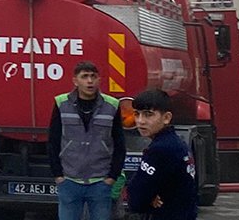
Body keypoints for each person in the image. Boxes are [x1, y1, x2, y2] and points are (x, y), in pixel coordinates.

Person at [48, 61, 126, 220]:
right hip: (69, 180)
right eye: (84, 77)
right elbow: (53, 141)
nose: (90, 81)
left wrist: (112, 177)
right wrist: (58, 175)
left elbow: (119, 144)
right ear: (75, 81)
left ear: (99, 80)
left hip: (100, 181)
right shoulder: (61, 103)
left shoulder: (112, 105)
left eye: (93, 76)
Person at [126, 89, 198, 220]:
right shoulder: (177, 143)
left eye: (148, 115)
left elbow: (137, 194)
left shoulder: (160, 149)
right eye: (137, 114)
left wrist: (146, 200)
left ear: (166, 118)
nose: (140, 121)